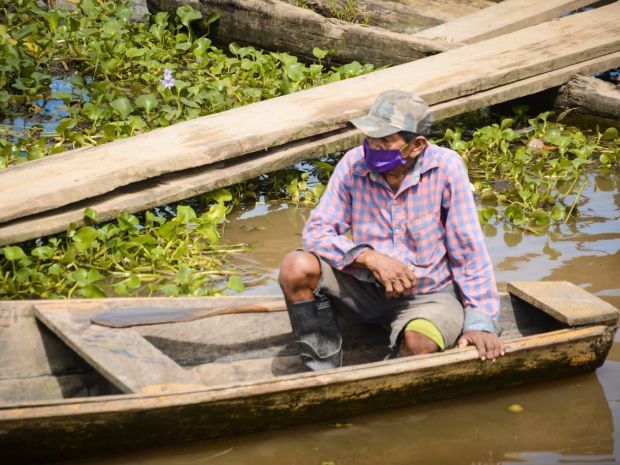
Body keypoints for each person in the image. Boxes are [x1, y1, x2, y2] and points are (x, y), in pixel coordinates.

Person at [278, 90, 504, 371]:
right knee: (296, 266)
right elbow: (316, 232)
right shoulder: (353, 164)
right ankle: (321, 372)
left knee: (419, 343)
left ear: (417, 145)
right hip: (367, 291)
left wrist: (481, 323)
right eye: (371, 137)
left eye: (385, 140)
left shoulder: (446, 167)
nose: (373, 145)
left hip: (429, 297)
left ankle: (387, 379)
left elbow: (468, 252)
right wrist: (370, 258)